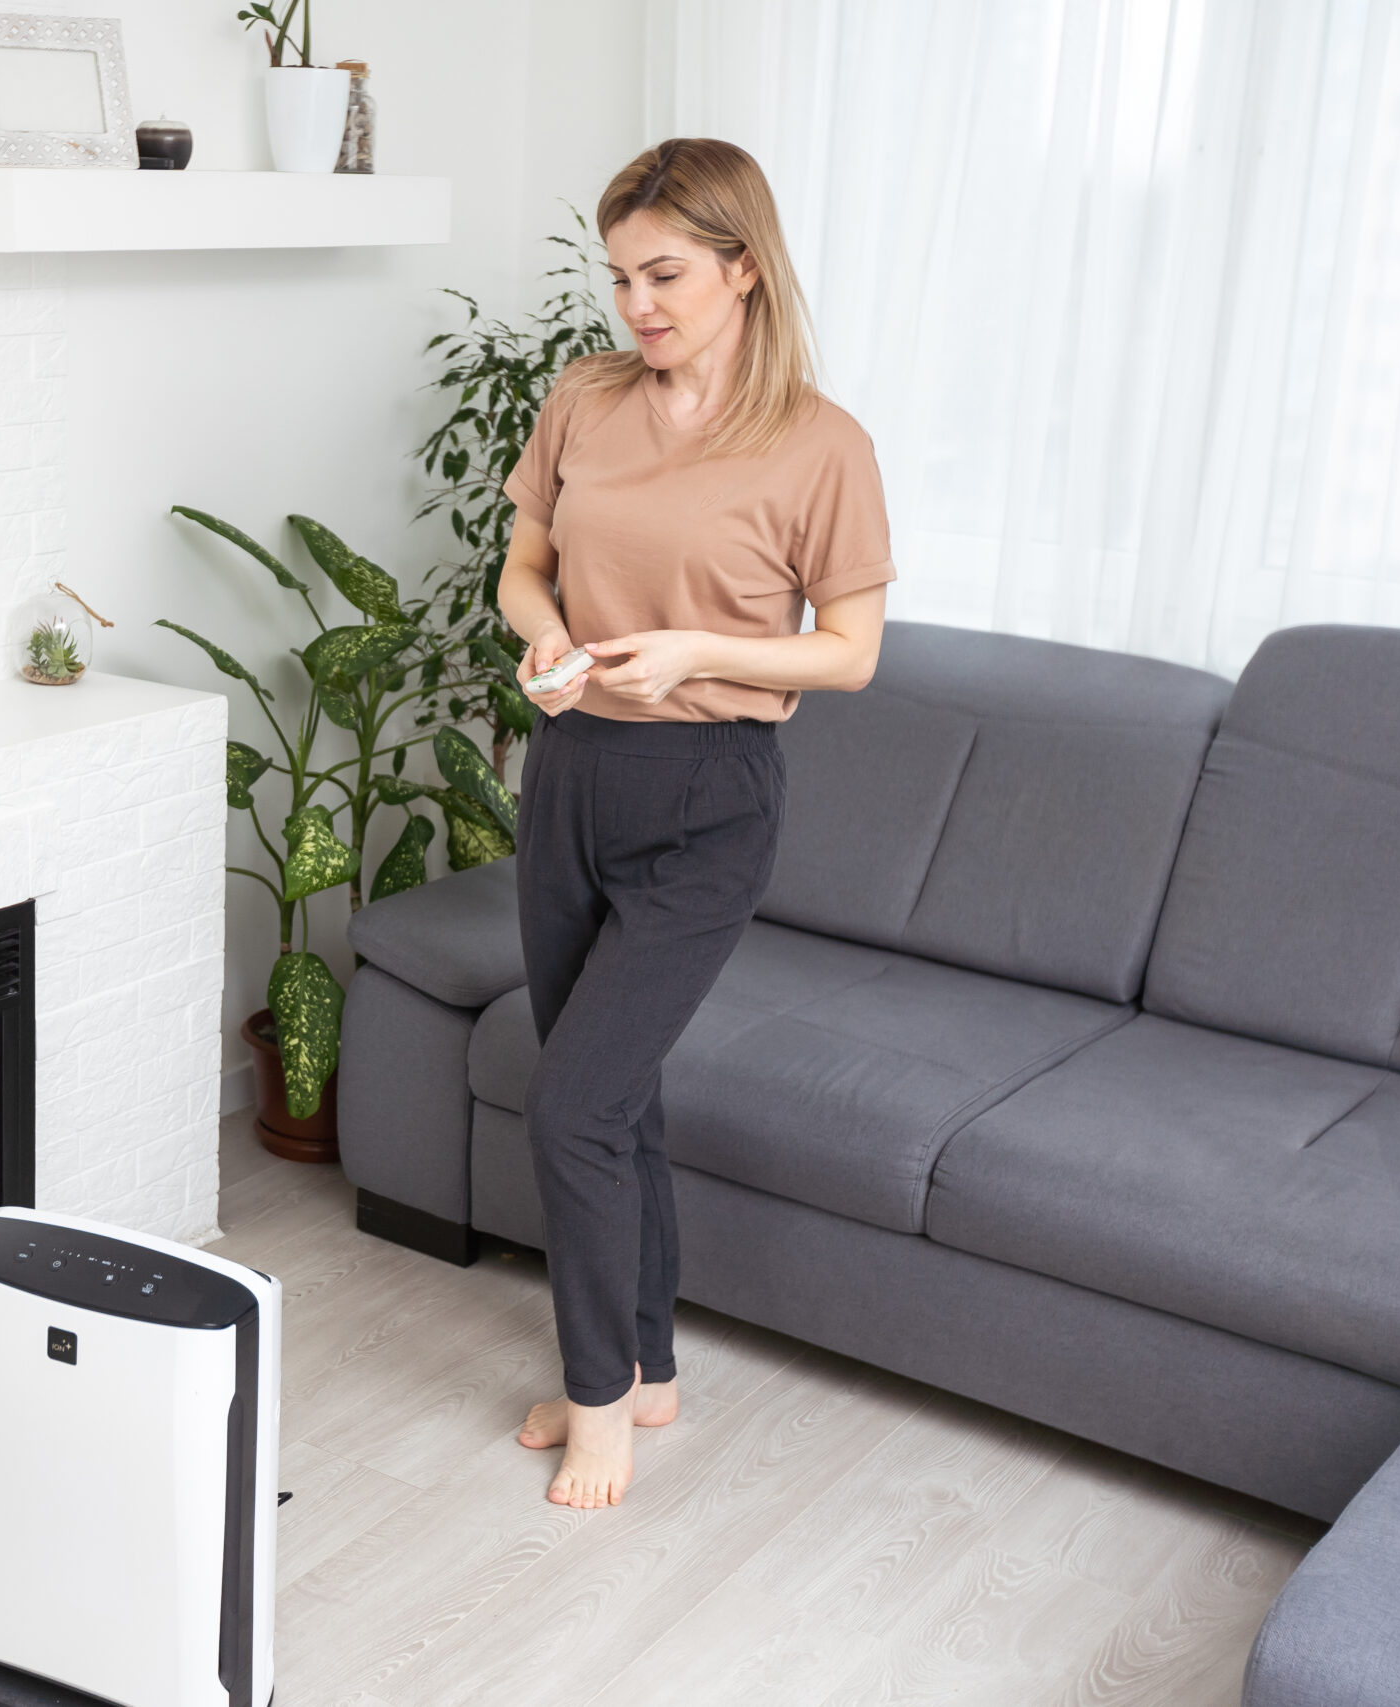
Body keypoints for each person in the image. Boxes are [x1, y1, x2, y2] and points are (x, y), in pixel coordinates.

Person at [496, 137, 893, 1509]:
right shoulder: (586, 400)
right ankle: (650, 1364)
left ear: (741, 264)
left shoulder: (820, 443)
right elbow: (523, 567)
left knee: (574, 1104)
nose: (638, 306)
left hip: (707, 798)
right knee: (617, 1099)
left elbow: (848, 652)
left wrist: (692, 657)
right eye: (621, 277)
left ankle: (599, 1401)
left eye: (664, 273)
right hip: (571, 777)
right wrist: (547, 642)